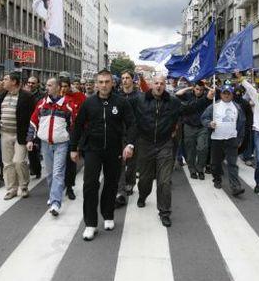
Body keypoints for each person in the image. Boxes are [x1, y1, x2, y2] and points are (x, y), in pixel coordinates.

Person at [131, 75, 214, 227]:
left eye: (161, 83)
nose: (158, 86)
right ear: (151, 85)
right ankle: (143, 195)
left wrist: (207, 99)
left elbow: (189, 109)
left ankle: (164, 212)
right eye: (156, 83)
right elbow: (126, 113)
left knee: (164, 181)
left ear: (165, 86)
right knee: (145, 179)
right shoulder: (140, 100)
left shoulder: (173, 101)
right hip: (145, 144)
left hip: (165, 144)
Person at [70, 70, 136, 241]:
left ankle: (108, 215)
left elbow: (132, 124)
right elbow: (78, 126)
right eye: (101, 82)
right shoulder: (89, 103)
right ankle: (90, 223)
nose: (104, 85)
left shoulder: (121, 102)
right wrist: (73, 148)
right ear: (96, 83)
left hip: (114, 150)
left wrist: (129, 144)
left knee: (111, 183)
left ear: (112, 83)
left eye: (107, 81)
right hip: (93, 149)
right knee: (90, 184)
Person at [27, 78, 74, 216]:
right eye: (46, 85)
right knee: (49, 173)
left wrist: (73, 144)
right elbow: (33, 122)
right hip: (45, 143)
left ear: (58, 87)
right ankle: (54, 195)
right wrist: (30, 139)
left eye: (49, 85)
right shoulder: (42, 104)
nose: (46, 87)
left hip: (61, 143)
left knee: (58, 172)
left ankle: (55, 202)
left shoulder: (67, 104)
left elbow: (73, 126)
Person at [0, 73, 34, 200]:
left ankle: (24, 186)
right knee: (7, 163)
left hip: (20, 134)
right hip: (5, 133)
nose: (3, 81)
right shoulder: (2, 94)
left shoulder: (27, 96)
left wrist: (31, 136)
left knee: (19, 161)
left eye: (6, 79)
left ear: (14, 82)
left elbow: (33, 117)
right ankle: (11, 189)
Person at [201, 80, 245, 195]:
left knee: (232, 164)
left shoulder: (237, 107)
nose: (226, 95)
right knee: (215, 163)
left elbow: (242, 123)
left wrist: (239, 138)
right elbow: (204, 118)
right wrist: (209, 123)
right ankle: (217, 179)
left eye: (229, 93)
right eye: (224, 93)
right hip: (217, 139)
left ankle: (235, 186)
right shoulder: (214, 106)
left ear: (232, 94)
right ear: (220, 94)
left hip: (231, 139)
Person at [115, 70, 142, 207]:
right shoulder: (116, 95)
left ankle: (130, 182)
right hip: (119, 132)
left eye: (127, 78)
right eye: (123, 78)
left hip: (134, 132)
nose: (125, 80)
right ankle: (120, 189)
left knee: (132, 161)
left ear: (132, 79)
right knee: (120, 160)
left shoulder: (139, 96)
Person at [60, 75, 86, 200]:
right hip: (57, 134)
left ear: (70, 86)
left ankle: (69, 186)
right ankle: (58, 186)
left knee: (70, 161)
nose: (63, 89)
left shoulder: (78, 97)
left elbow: (85, 113)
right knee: (59, 164)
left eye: (66, 86)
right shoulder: (54, 97)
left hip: (72, 133)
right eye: (61, 86)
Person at [177, 82, 209, 180]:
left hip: (202, 126)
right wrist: (190, 87)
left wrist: (207, 86)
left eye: (201, 90)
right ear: (194, 89)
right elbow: (178, 94)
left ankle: (200, 168)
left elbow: (217, 92)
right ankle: (192, 169)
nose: (199, 91)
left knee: (202, 148)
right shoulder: (188, 95)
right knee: (190, 150)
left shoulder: (207, 97)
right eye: (197, 89)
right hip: (189, 126)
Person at [26, 76, 43, 179]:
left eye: (33, 83)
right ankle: (35, 168)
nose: (30, 85)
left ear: (37, 84)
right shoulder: (24, 94)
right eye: (29, 83)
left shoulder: (42, 96)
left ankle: (36, 169)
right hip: (27, 124)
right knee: (30, 149)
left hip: (38, 125)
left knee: (35, 148)